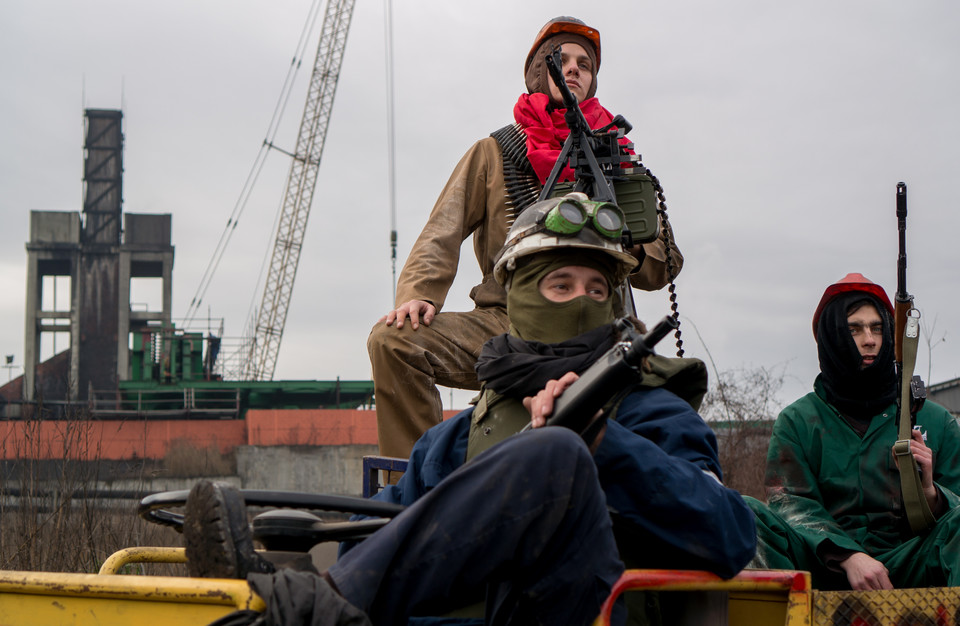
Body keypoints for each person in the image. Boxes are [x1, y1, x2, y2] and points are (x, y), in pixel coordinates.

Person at [184, 193, 752, 625]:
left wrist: (604, 445)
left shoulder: (652, 410)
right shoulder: (459, 435)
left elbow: (728, 532)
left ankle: (310, 608)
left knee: (555, 450)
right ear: (521, 299)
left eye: (597, 290)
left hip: (585, 609)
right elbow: (383, 528)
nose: (582, 301)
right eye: (560, 286)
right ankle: (294, 591)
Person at [367, 16, 684, 463]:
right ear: (540, 70)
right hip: (506, 324)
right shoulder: (496, 152)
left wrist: (622, 228)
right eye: (562, 60)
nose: (573, 69)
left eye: (585, 64)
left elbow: (663, 265)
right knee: (393, 340)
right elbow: (442, 229)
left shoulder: (619, 158)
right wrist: (419, 294)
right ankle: (416, 489)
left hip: (598, 328)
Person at [747, 273, 960, 590]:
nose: (870, 339)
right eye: (854, 328)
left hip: (910, 564)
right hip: (822, 569)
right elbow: (791, 505)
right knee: (745, 515)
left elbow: (954, 516)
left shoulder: (934, 420)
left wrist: (931, 494)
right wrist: (848, 556)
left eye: (876, 327)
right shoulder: (798, 421)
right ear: (832, 336)